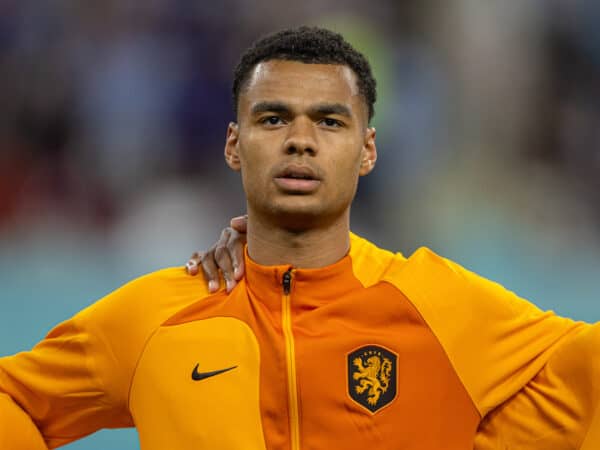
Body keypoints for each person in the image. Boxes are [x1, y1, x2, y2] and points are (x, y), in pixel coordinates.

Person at [0, 26, 597, 450]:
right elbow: (16, 400)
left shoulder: (439, 303)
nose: (300, 140)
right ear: (234, 144)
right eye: (274, 117)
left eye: (330, 121)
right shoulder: (153, 318)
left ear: (367, 151)